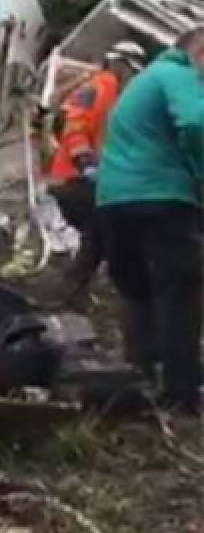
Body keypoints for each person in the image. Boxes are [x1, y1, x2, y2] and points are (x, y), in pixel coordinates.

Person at [96, 28, 204, 413]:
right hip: (160, 194)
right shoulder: (178, 74)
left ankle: (139, 378)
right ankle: (181, 393)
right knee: (180, 292)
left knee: (137, 290)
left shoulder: (143, 83)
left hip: (112, 198)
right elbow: (196, 123)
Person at [47, 40, 147, 298]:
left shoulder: (113, 95)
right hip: (75, 178)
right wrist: (86, 162)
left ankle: (70, 292)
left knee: (99, 236)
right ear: (122, 66)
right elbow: (74, 124)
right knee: (103, 230)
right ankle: (66, 291)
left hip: (87, 180)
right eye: (133, 72)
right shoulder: (101, 86)